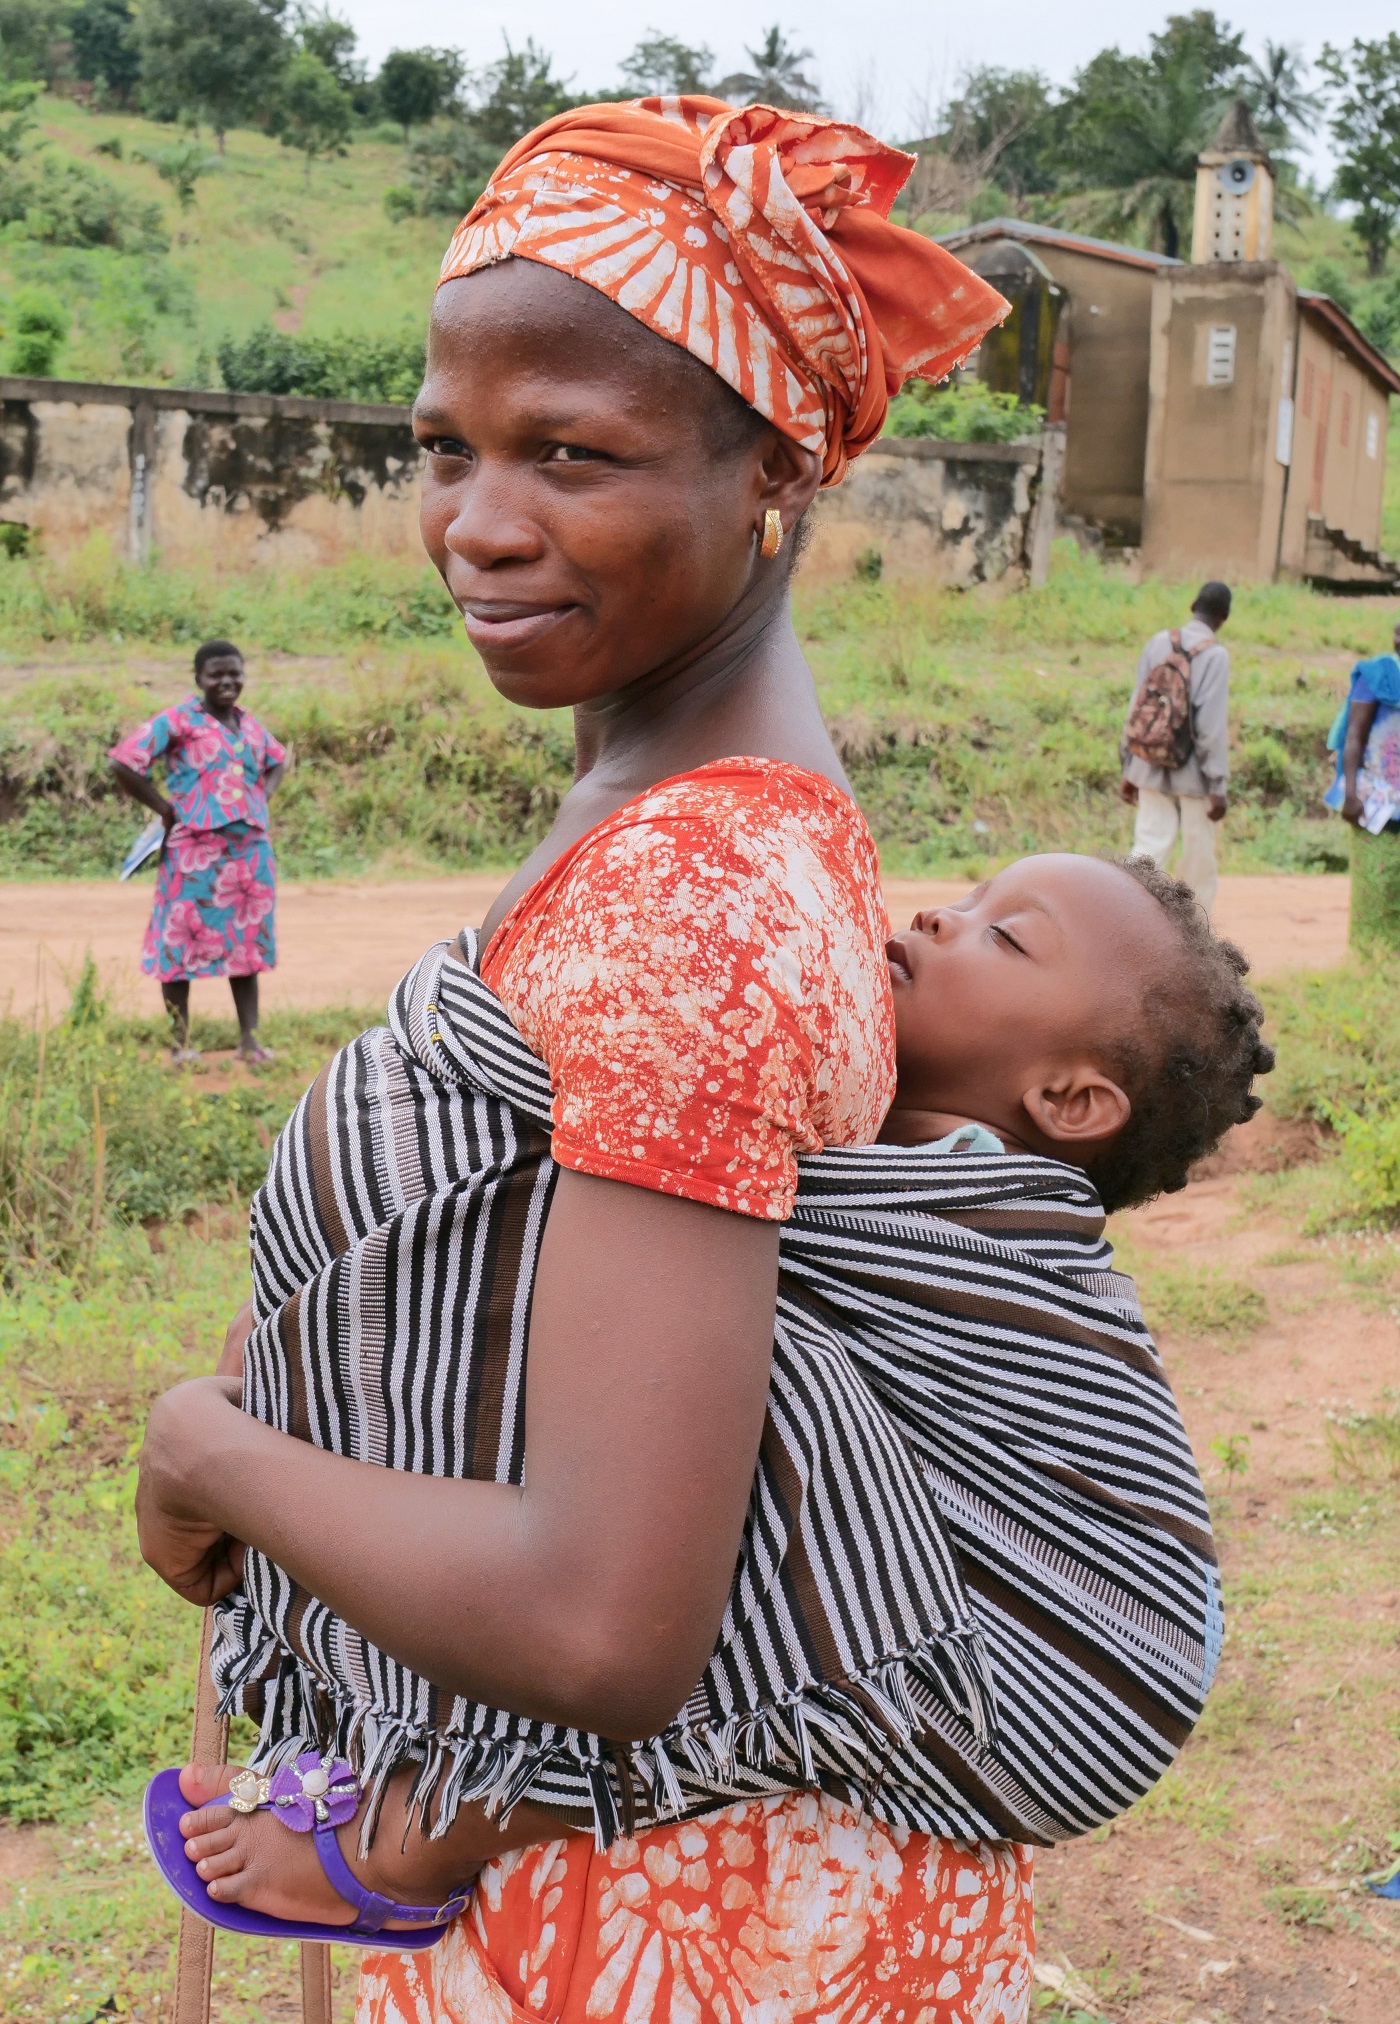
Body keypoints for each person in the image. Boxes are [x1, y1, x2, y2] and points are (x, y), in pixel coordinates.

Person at [136, 93, 1029, 2022]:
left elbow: (605, 1620)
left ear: (776, 464)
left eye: (573, 451)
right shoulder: (684, 799)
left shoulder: (691, 902)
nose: (477, 521)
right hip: (608, 1873)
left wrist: (206, 1442)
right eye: (445, 447)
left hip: (650, 1933)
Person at [161, 851, 1268, 1964]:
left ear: (1068, 1100)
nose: (937, 911)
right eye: (972, 893)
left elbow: (624, 1142)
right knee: (673, 1365)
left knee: (715, 1364)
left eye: (1004, 935)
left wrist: (483, 1024)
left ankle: (444, 1822)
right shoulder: (853, 1148)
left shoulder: (975, 1212)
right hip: (1025, 1667)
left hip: (1053, 1668)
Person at [109, 640, 284, 1065]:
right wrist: (165, 809)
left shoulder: (249, 724)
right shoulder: (179, 720)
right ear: (198, 678)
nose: (227, 681)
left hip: (248, 855)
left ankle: (250, 1042)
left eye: (234, 673)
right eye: (216, 674)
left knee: (247, 950)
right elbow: (122, 762)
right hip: (193, 855)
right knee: (179, 948)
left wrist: (261, 797)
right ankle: (180, 1045)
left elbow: (278, 759)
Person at [1120, 580, 1232, 912]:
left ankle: (1126, 910)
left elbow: (1135, 707)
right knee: (1198, 853)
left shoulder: (1158, 642)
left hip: (1148, 761)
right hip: (1192, 772)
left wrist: (1129, 766)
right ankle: (1198, 931)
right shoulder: (1215, 655)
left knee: (1149, 845)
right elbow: (1210, 727)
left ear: (1193, 606)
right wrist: (1217, 784)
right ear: (1223, 616)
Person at [1324, 616, 1400, 948]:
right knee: (1374, 883)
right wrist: (1350, 793)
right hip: (1374, 799)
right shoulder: (1377, 676)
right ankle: (1368, 957)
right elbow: (1353, 736)